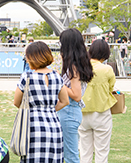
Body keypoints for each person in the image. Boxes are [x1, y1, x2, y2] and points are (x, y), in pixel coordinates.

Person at [14, 41, 69, 162]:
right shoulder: (57, 76)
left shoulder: (27, 76)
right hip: (54, 125)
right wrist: (49, 109)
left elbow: (16, 102)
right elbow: (65, 101)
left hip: (33, 126)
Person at [57, 28, 94, 163]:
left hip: (69, 111)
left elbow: (76, 95)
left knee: (71, 157)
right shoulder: (76, 63)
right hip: (69, 111)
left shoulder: (73, 67)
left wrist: (59, 83)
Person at [78, 39, 117, 163]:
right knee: (102, 152)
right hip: (101, 113)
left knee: (85, 152)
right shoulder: (107, 69)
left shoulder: (81, 67)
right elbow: (111, 88)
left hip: (83, 113)